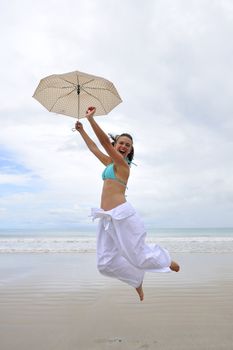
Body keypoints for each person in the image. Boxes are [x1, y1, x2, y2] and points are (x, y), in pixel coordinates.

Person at [75, 106, 180, 301]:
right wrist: (82, 131)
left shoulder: (123, 165)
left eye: (128, 145)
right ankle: (136, 280)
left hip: (122, 214)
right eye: (121, 143)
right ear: (116, 145)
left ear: (130, 151)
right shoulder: (109, 163)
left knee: (137, 255)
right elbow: (94, 148)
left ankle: (166, 259)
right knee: (104, 263)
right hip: (106, 217)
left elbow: (104, 143)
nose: (124, 146)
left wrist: (91, 120)